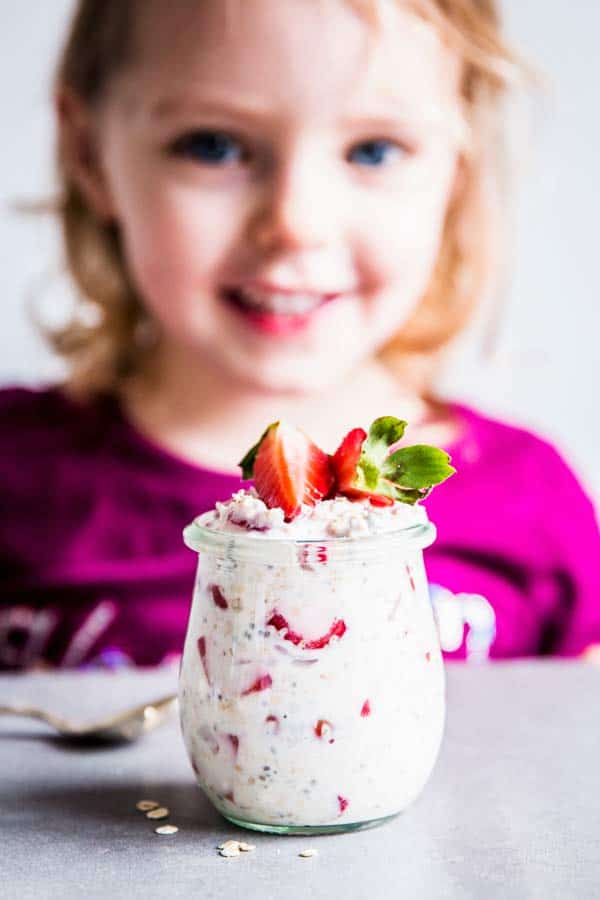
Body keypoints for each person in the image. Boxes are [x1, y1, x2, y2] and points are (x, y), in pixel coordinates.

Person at [1, 0, 598, 669]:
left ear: (455, 175)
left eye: (374, 151)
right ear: (90, 156)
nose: (295, 222)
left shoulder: (532, 507)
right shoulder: (13, 472)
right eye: (214, 146)